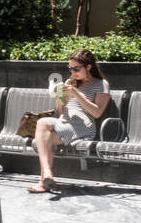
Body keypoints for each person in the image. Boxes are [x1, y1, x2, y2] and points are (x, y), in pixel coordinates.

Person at [31, 48, 110, 193]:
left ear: (88, 67)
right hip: (64, 123)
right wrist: (61, 99)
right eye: (70, 68)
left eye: (76, 68)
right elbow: (61, 112)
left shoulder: (101, 84)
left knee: (42, 125)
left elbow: (97, 112)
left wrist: (76, 94)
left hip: (84, 126)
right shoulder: (71, 82)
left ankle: (45, 177)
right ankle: (45, 180)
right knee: (44, 137)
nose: (73, 72)